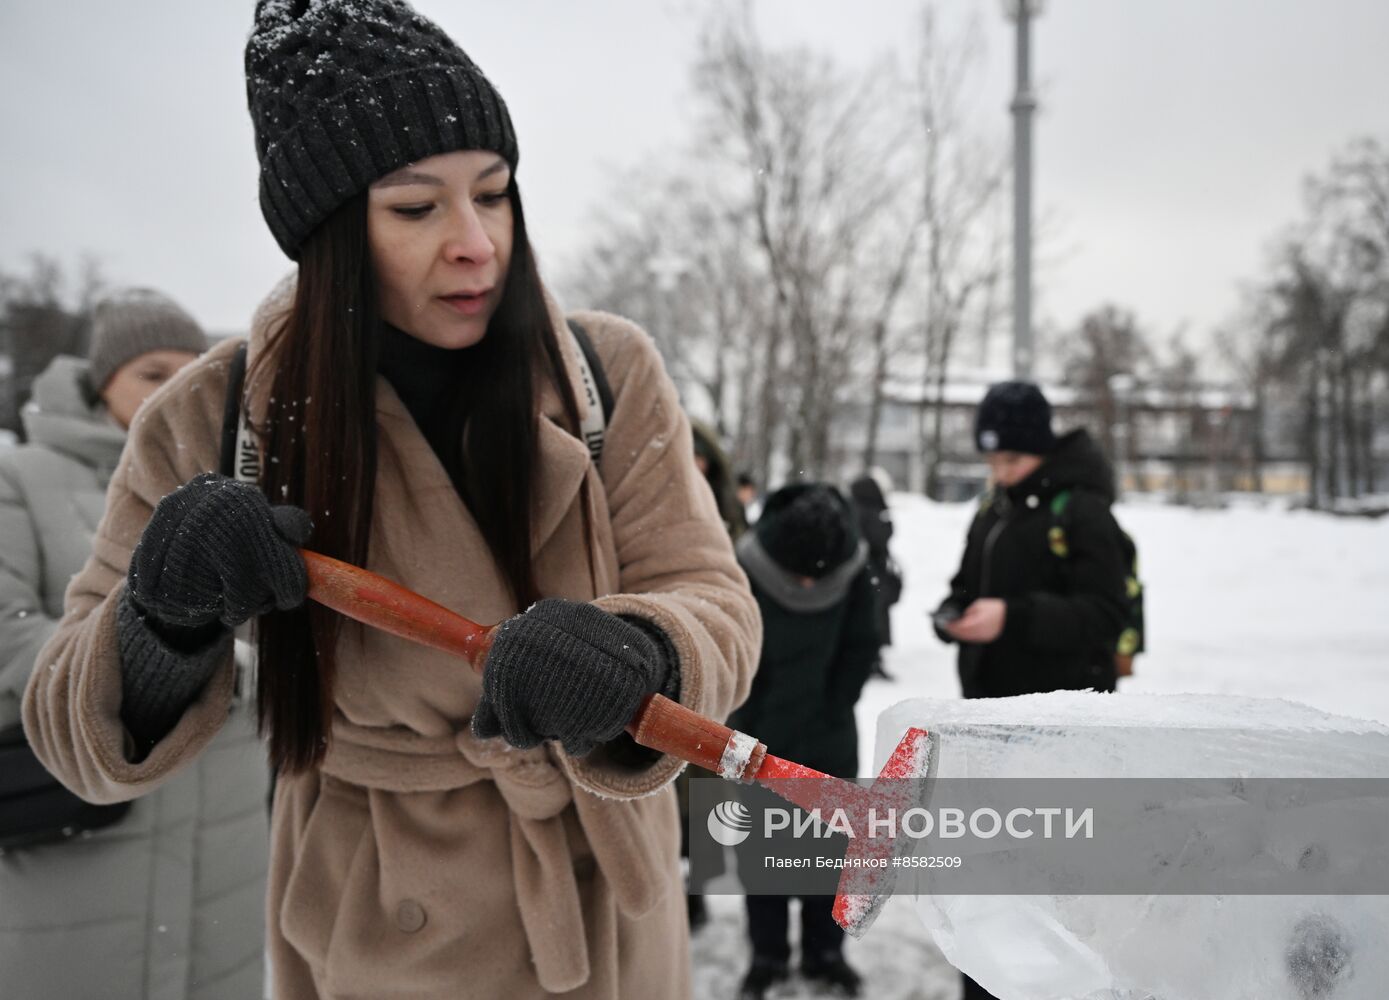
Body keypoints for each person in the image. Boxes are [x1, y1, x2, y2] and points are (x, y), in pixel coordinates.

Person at [22, 4, 759, 998]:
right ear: (330, 236)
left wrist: (642, 649)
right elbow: (75, 737)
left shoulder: (604, 370)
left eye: (494, 195)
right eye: (415, 208)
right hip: (380, 919)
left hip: (608, 908)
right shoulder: (211, 415)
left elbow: (711, 594)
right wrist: (161, 618)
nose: (474, 243)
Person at [0, 290, 270, 998]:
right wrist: (139, 668)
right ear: (100, 384)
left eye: (193, 370)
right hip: (80, 836)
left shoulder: (244, 490)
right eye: (153, 373)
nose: (179, 390)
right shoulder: (20, 477)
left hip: (231, 840)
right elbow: (5, 628)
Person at [932, 382, 1125, 1000]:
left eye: (1012, 460)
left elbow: (1103, 616)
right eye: (992, 461)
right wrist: (950, 614)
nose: (1001, 472)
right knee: (986, 884)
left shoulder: (1083, 512)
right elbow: (965, 582)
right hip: (987, 729)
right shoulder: (996, 507)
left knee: (1047, 891)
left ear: (1041, 449)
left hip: (1056, 738)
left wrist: (1013, 617)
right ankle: (983, 983)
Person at [728, 483, 879, 999]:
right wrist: (752, 713)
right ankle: (767, 955)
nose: (807, 585)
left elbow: (862, 642)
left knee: (832, 852)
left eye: (819, 578)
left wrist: (836, 704)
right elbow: (737, 645)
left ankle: (825, 953)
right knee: (763, 849)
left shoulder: (854, 567)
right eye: (796, 577)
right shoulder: (745, 564)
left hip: (830, 731)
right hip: (759, 730)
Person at [847, 470, 903, 680]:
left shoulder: (852, 507)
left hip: (862, 572)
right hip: (872, 572)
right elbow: (879, 538)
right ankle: (872, 660)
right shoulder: (870, 511)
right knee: (874, 616)